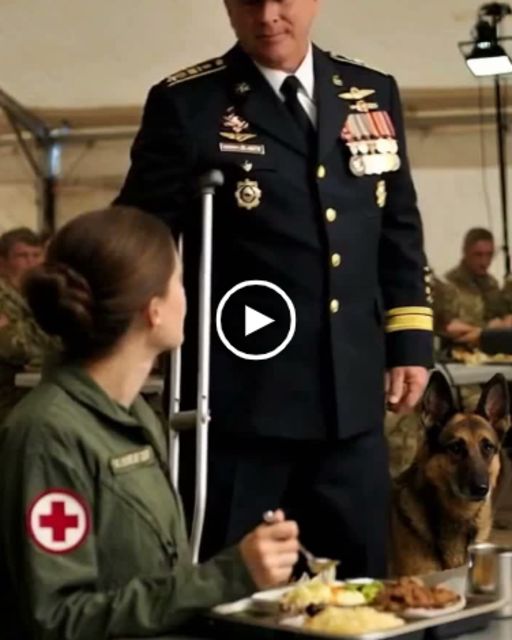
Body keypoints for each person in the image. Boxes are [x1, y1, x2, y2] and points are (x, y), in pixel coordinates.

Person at [115, 0, 433, 577]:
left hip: (350, 406)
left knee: (360, 589)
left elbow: (397, 227)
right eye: (247, 0)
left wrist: (409, 341)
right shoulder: (189, 104)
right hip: (243, 411)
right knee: (235, 594)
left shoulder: (371, 93)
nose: (266, 15)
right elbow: (138, 238)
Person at [0, 207, 299, 640]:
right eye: (178, 281)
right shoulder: (48, 436)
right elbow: (58, 617)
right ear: (153, 311)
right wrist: (227, 576)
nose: (187, 295)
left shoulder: (134, 414)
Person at [0, 227, 52, 423]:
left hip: (35, 398)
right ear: (2, 263)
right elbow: (14, 347)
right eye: (22, 256)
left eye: (36, 255)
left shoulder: (40, 296)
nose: (31, 263)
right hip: (8, 401)